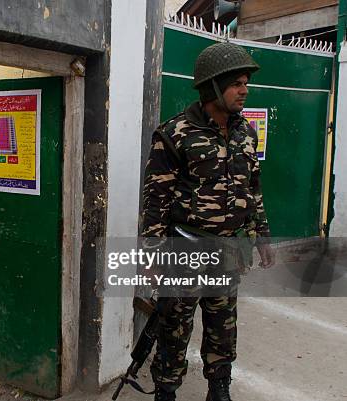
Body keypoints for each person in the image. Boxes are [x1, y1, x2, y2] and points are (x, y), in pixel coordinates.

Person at [140, 42, 275, 401]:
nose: (244, 91)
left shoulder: (246, 133)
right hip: (186, 249)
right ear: (213, 87)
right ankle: (166, 391)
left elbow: (253, 187)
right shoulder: (174, 134)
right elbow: (156, 202)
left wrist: (261, 234)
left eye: (246, 83)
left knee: (222, 326)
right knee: (174, 327)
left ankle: (219, 389)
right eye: (237, 84)